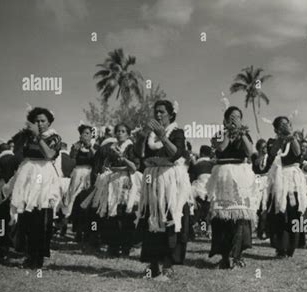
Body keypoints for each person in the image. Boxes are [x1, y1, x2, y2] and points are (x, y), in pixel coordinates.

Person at [137, 100, 193, 280]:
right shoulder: (150, 136)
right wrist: (143, 136)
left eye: (162, 112)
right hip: (153, 179)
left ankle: (168, 264)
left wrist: (163, 136)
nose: (158, 115)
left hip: (171, 182)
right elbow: (142, 156)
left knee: (170, 218)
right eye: (156, 112)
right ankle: (153, 264)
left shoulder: (177, 132)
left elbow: (176, 154)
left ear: (170, 114)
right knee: (152, 219)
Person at [9, 107, 62, 268]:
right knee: (26, 214)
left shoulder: (54, 137)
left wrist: (38, 137)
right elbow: (18, 153)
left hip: (44, 174)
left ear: (49, 122)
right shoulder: (27, 136)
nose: (39, 124)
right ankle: (28, 254)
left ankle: (38, 256)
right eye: (37, 121)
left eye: (43, 121)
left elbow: (50, 155)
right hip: (28, 173)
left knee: (41, 215)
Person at [207, 106, 257, 269]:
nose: (235, 120)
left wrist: (241, 133)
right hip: (223, 177)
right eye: (232, 117)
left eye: (238, 117)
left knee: (240, 216)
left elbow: (250, 152)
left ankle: (238, 256)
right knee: (222, 217)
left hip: (240, 177)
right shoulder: (220, 134)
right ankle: (224, 257)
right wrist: (229, 130)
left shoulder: (245, 135)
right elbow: (221, 148)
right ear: (225, 119)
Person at [82, 124, 141, 257]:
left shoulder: (131, 148)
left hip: (127, 180)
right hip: (112, 181)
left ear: (128, 134)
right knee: (112, 213)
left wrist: (123, 159)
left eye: (123, 131)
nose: (120, 133)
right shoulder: (111, 148)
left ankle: (126, 247)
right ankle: (113, 246)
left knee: (126, 214)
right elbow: (106, 165)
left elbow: (134, 167)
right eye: (118, 131)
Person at [266, 117, 307, 258]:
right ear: (276, 129)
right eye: (281, 124)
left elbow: (297, 153)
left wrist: (291, 137)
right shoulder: (273, 141)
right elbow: (272, 153)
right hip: (279, 178)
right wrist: (281, 138)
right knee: (279, 213)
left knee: (293, 212)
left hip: (293, 180)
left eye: (287, 123)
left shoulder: (295, 140)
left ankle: (291, 247)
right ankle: (280, 247)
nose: (285, 126)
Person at [63, 124, 95, 241]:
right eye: (83, 133)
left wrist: (90, 147)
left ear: (91, 135)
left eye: (87, 133)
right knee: (75, 201)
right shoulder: (76, 146)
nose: (85, 135)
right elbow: (72, 158)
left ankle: (89, 232)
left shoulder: (94, 146)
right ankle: (77, 231)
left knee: (87, 202)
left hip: (89, 174)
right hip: (77, 173)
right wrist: (75, 150)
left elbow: (96, 158)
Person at [0, 143, 19, 260]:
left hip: (4, 195)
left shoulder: (0, 161)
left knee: (1, 221)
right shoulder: (17, 159)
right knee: (14, 221)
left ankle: (3, 249)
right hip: (18, 194)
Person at [189, 145, 214, 237]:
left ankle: (198, 228)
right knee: (206, 212)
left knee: (199, 211)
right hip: (211, 190)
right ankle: (205, 230)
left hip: (198, 189)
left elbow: (191, 178)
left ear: (201, 153)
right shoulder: (213, 164)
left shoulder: (197, 164)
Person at [251, 139, 272, 240]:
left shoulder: (270, 157)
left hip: (266, 180)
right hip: (257, 179)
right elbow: (255, 164)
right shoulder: (255, 156)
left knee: (265, 205)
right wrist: (261, 155)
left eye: (266, 147)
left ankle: (263, 230)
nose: (265, 149)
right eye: (262, 147)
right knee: (255, 204)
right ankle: (253, 229)